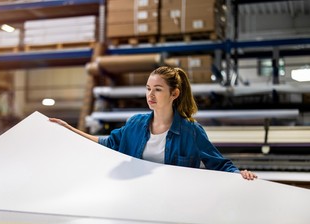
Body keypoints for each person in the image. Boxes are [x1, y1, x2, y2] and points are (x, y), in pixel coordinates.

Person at [50, 66, 257, 180]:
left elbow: (219, 164)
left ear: (174, 93)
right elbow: (107, 142)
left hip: (173, 205)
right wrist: (69, 129)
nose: (151, 94)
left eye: (158, 89)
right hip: (137, 200)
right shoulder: (135, 124)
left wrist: (240, 174)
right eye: (148, 88)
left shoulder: (191, 132)